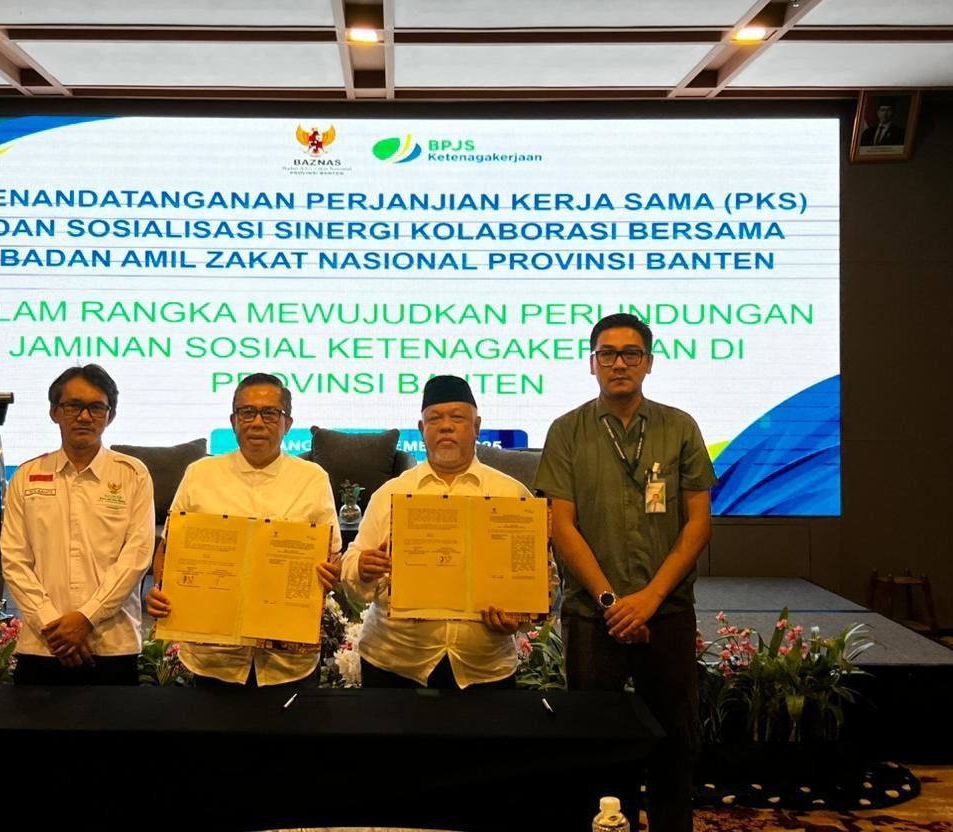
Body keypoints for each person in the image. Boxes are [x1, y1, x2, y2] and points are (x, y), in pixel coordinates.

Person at [536, 313, 716, 832]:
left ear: (649, 363)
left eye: (631, 353)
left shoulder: (679, 427)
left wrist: (650, 599)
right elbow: (561, 525)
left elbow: (699, 523)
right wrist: (613, 603)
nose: (619, 363)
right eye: (608, 353)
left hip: (667, 612)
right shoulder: (566, 430)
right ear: (591, 363)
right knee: (596, 746)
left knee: (673, 743)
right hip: (593, 617)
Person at [340, 375, 538, 690]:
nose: (446, 427)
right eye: (435, 419)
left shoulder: (511, 495)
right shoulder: (391, 494)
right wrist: (362, 567)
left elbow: (539, 579)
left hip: (484, 668)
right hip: (394, 663)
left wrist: (520, 617)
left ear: (476, 426)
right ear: (422, 429)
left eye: (457, 418)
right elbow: (351, 569)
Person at [146, 373, 341, 691]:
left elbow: (332, 555)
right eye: (247, 412)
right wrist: (161, 589)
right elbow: (169, 548)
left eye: (270, 413)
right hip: (214, 659)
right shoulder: (200, 474)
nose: (257, 422)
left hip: (288, 661)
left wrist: (332, 572)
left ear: (287, 423)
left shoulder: (312, 479)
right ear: (233, 421)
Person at [0, 364, 155, 686]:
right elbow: (14, 560)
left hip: (112, 643)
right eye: (73, 406)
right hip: (44, 644)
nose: (84, 417)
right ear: (54, 412)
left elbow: (137, 556)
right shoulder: (27, 476)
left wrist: (86, 618)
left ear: (110, 416)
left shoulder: (132, 474)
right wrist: (54, 627)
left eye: (96, 407)